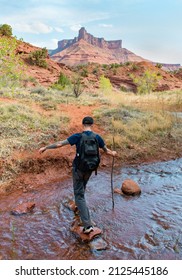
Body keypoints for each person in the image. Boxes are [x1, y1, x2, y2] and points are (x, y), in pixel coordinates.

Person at [39, 116, 117, 234]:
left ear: (82, 124)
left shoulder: (78, 136)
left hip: (78, 169)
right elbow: (106, 151)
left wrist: (46, 147)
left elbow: (60, 144)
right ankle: (79, 206)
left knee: (79, 195)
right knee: (82, 188)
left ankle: (87, 225)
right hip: (90, 168)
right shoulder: (97, 137)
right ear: (92, 124)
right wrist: (113, 153)